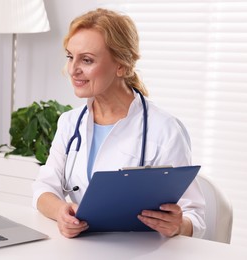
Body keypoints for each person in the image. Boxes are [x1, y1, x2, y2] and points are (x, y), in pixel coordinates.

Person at [32, 8, 206, 239]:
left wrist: (179, 225)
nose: (73, 70)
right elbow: (43, 188)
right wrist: (61, 212)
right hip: (80, 248)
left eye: (86, 60)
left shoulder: (165, 130)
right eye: (70, 57)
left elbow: (195, 216)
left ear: (121, 65)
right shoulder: (69, 122)